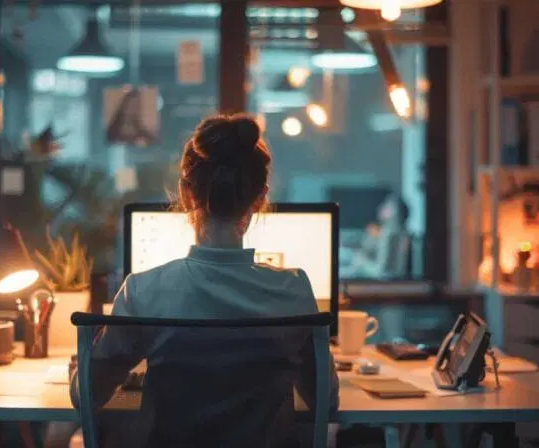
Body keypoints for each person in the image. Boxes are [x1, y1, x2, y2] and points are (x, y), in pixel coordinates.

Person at [69, 114, 338, 447]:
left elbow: (85, 396)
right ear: (260, 197)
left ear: (186, 192)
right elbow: (326, 401)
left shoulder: (143, 291)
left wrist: (83, 365)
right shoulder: (293, 290)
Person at [341, 193, 411, 280]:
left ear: (395, 212)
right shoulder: (398, 232)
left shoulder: (389, 233)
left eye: (387, 206)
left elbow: (382, 272)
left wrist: (361, 261)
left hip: (383, 283)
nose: (381, 208)